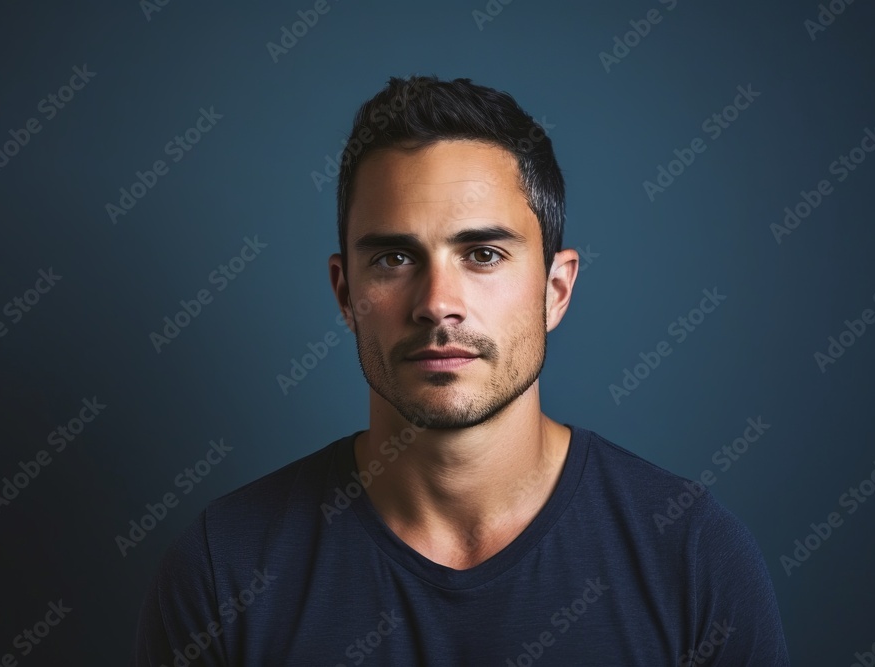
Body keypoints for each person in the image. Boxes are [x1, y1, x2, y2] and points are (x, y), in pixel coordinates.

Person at [130, 74, 791, 666]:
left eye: (481, 253)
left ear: (555, 289)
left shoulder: (694, 557)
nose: (437, 303)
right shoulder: (226, 569)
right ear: (344, 293)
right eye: (393, 259)